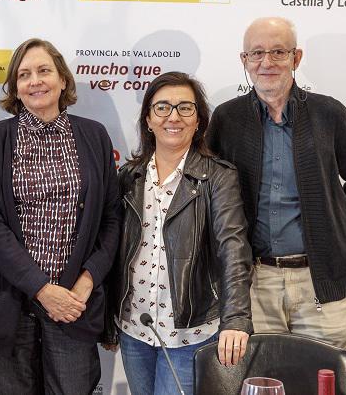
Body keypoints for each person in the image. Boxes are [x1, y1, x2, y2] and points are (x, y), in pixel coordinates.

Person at [206, 17, 346, 355]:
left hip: (320, 282)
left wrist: (342, 245)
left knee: (325, 381)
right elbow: (210, 195)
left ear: (296, 58)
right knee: (262, 380)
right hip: (254, 283)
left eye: (278, 51)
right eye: (256, 53)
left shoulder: (328, 114)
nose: (266, 62)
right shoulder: (226, 119)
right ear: (244, 61)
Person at [0, 38, 120, 394]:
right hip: (11, 301)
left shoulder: (94, 135)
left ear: (63, 79)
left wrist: (83, 285)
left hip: (73, 304)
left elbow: (111, 220)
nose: (34, 81)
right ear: (15, 87)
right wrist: (40, 288)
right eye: (24, 75)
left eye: (43, 71)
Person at [101, 71, 253, 395]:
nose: (174, 116)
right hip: (134, 329)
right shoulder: (129, 176)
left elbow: (234, 249)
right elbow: (113, 250)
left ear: (198, 121)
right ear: (148, 119)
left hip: (190, 332)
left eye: (185, 108)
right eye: (162, 108)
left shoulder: (218, 177)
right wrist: (107, 321)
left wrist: (237, 319)